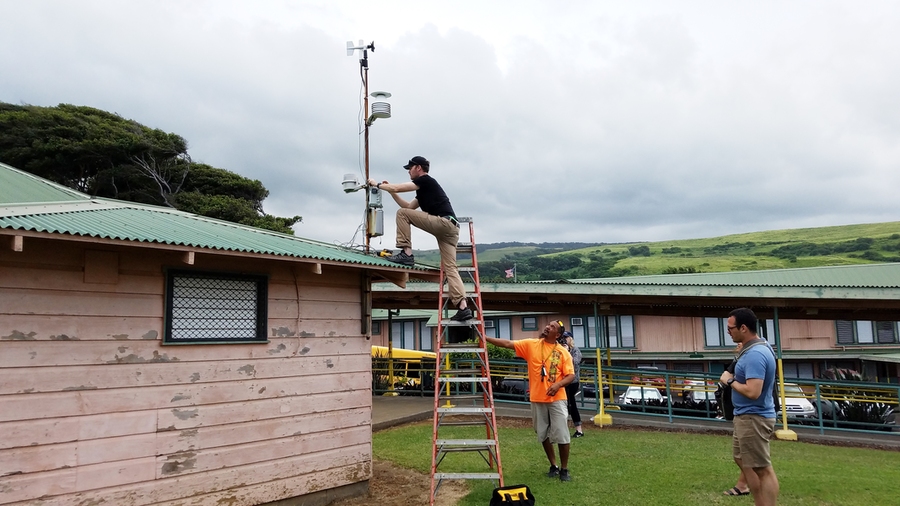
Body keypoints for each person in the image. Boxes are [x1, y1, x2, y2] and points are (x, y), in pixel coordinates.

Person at [367, 156, 471, 321]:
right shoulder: (423, 190)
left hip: (443, 224)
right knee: (451, 268)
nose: (408, 171)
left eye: (410, 168)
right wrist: (391, 191)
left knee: (401, 215)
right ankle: (463, 307)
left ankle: (406, 254)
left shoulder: (426, 180)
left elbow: (401, 190)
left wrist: (378, 185)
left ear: (419, 168)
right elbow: (408, 207)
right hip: (451, 229)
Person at [485, 320, 576, 481]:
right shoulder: (531, 344)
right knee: (542, 434)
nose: (548, 327)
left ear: (558, 334)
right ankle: (553, 465)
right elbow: (507, 343)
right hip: (537, 399)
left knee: (562, 434)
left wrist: (557, 385)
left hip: (557, 399)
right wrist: (485, 338)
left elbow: (571, 375)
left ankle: (564, 469)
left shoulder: (563, 353)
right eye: (548, 324)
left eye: (553, 327)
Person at [719, 308, 779, 506]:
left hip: (754, 417)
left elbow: (753, 392)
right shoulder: (755, 347)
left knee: (762, 468)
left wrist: (729, 381)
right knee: (743, 461)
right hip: (745, 416)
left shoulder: (755, 354)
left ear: (743, 328)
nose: (728, 332)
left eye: (731, 328)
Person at [560, 331, 584, 437]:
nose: (564, 340)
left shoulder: (575, 350)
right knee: (562, 405)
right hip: (562, 381)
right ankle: (562, 428)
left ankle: (579, 429)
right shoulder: (560, 350)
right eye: (563, 338)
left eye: (566, 337)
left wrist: (566, 352)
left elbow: (575, 362)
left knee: (571, 403)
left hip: (573, 381)